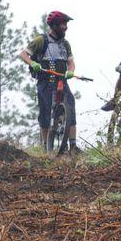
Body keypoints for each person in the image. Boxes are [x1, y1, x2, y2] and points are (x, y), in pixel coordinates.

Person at [19, 11, 79, 154]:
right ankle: (47, 147)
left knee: (70, 106)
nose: (66, 27)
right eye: (63, 24)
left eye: (66, 24)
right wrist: (32, 63)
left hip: (61, 81)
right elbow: (23, 54)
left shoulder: (65, 44)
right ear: (54, 25)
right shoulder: (41, 40)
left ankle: (73, 147)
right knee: (46, 112)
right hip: (45, 82)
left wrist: (70, 71)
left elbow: (71, 62)